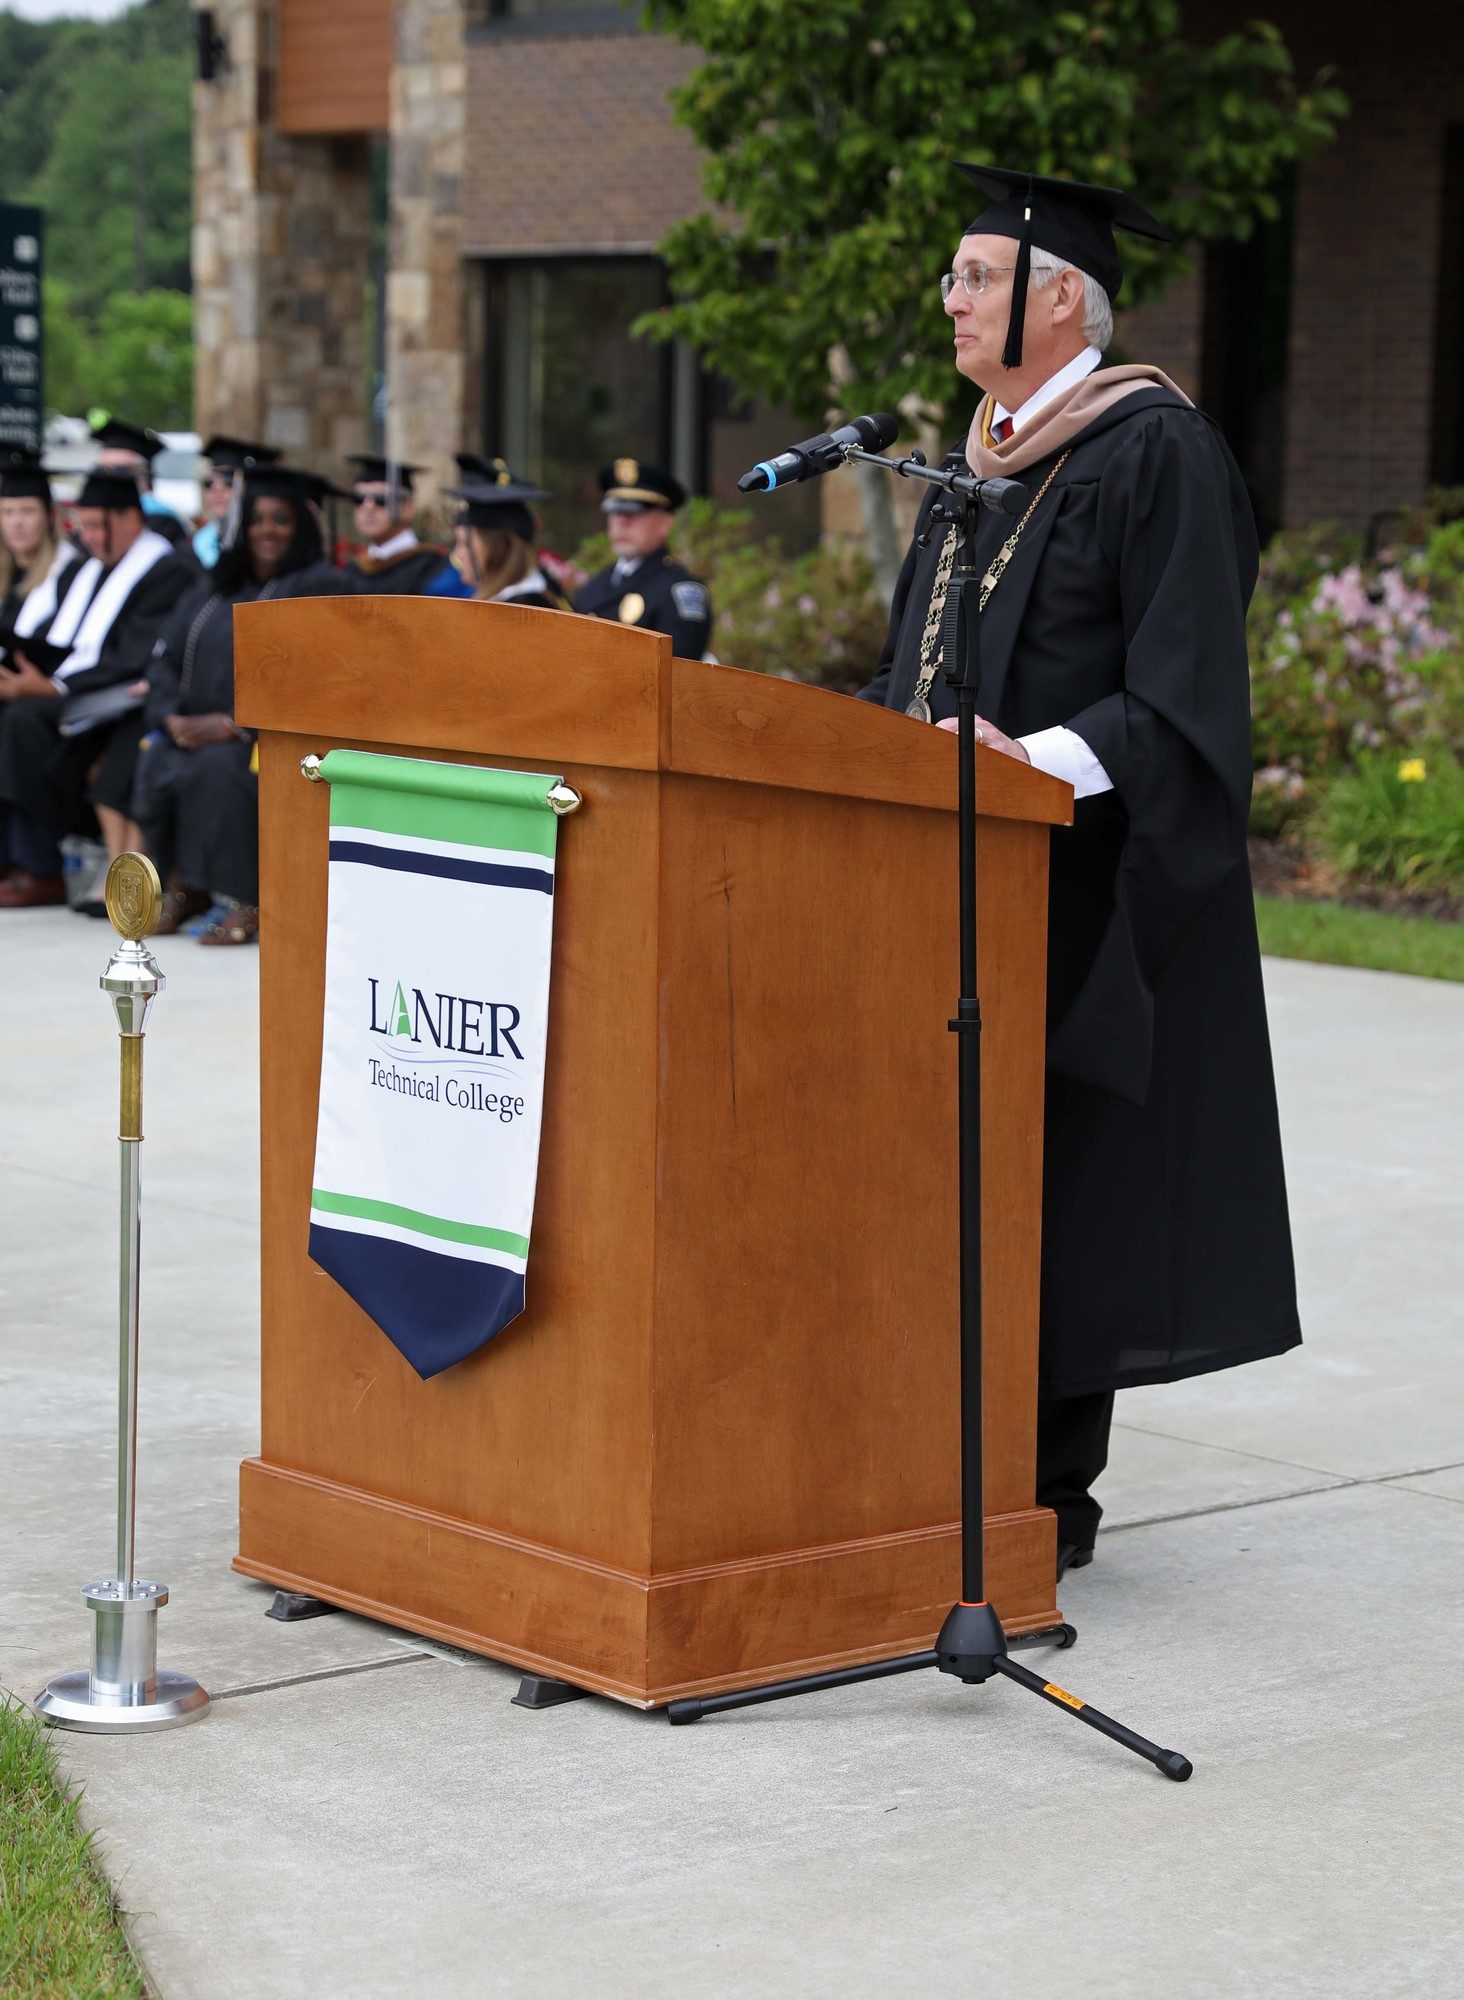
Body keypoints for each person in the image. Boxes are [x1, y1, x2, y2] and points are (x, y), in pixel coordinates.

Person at [857, 165, 1301, 1580]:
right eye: (951, 278)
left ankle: (1047, 1490)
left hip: (1079, 887)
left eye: (974, 275)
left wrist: (1030, 759)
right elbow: (911, 664)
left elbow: (1187, 693)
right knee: (938, 1163)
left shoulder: (1153, 451)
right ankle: (927, 1445)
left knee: (1060, 1174)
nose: (951, 299)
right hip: (943, 876)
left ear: (1061, 297)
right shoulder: (973, 460)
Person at [123, 466, 349, 946]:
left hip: (263, 738)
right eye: (257, 519)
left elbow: (315, 672)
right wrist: (170, 717)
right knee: (156, 759)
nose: (266, 530)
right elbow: (162, 658)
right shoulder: (214, 587)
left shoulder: (317, 586)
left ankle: (249, 899)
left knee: (219, 770)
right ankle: (187, 886)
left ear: (300, 528)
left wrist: (235, 725)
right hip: (192, 728)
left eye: (281, 519)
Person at [0, 468, 193, 909]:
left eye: (93, 525)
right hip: (81, 692)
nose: (86, 537)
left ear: (128, 518)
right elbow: (62, 636)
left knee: (23, 722)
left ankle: (43, 865)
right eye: (80, 526)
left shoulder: (166, 570)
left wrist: (52, 687)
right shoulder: (89, 569)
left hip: (123, 700)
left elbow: (133, 654)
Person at [572, 458, 712, 659]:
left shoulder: (678, 590)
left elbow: (678, 670)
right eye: (615, 511)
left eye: (634, 512)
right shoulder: (594, 586)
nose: (622, 521)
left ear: (665, 523)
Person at [440, 459, 567, 610]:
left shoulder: (523, 610)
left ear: (496, 547)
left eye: (465, 544)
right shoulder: (504, 602)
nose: (457, 554)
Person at [0, 447, 85, 661]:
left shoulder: (68, 573)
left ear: (49, 516)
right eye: (7, 512)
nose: (16, 522)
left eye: (28, 510)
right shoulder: (6, 572)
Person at [342, 455, 454, 595]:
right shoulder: (352, 570)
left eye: (381, 499)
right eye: (359, 499)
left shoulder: (432, 568)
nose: (368, 507)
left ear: (408, 507)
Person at [89, 415, 196, 556]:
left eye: (119, 471)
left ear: (142, 477)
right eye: (101, 470)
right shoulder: (90, 523)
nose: (107, 479)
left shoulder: (162, 523)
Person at [193, 435, 282, 568]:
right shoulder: (202, 539)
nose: (217, 490)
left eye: (228, 482)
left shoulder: (262, 541)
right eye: (209, 483)